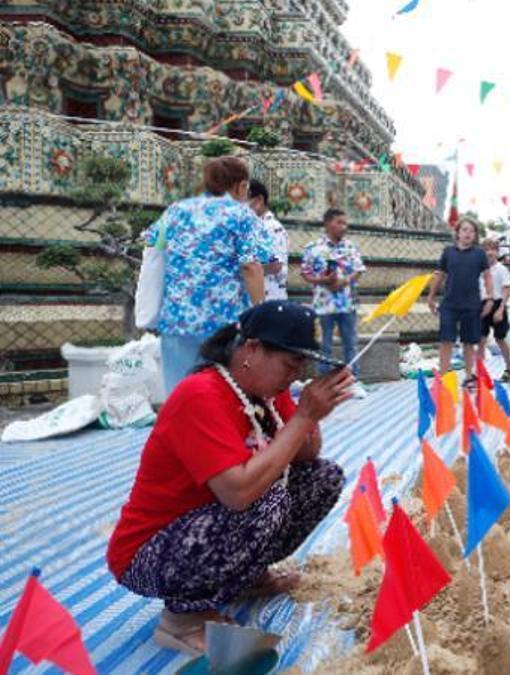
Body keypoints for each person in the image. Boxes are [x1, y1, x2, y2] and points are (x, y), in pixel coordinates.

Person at [107, 301, 354, 657]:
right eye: (290, 364)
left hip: (206, 531)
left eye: (302, 366)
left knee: (322, 478)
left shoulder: (269, 392)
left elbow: (307, 457)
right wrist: (303, 417)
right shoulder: (201, 395)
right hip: (149, 554)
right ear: (251, 350)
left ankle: (246, 577)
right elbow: (238, 493)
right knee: (264, 499)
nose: (295, 375)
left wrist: (310, 416)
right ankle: (182, 617)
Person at [147, 156, 270, 394]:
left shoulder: (176, 210)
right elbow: (251, 266)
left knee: (179, 395)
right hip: (222, 323)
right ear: (240, 186)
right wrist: (260, 313)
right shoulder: (241, 215)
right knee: (222, 396)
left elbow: (153, 246)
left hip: (176, 319)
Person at [427, 219, 493, 389]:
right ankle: (442, 376)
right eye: (464, 230)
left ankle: (469, 376)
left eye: (471, 231)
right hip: (449, 304)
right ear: (457, 232)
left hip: (471, 305)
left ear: (475, 235)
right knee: (446, 340)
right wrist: (431, 296)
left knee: (469, 342)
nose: (468, 234)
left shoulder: (479, 254)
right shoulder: (448, 252)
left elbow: (487, 276)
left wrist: (490, 298)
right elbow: (440, 275)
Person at [301, 208, 367, 379]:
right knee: (324, 345)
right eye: (339, 222)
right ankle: (324, 382)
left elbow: (359, 270)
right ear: (328, 223)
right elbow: (305, 273)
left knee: (350, 344)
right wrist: (323, 281)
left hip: (347, 303)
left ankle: (353, 380)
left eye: (345, 223)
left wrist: (344, 281)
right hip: (324, 304)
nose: (343, 227)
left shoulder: (351, 247)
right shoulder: (313, 248)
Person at [479, 238, 510, 382]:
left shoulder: (501, 269)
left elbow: (506, 289)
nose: (489, 253)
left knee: (500, 338)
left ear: (497, 252)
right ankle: (480, 371)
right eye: (486, 249)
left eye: (492, 249)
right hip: (483, 305)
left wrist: (500, 309)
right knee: (480, 339)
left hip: (497, 304)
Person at [248, 179, 289, 301]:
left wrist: (246, 269)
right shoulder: (254, 227)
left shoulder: (270, 228)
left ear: (258, 200)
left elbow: (274, 265)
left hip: (269, 301)